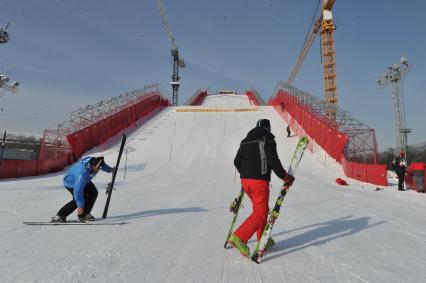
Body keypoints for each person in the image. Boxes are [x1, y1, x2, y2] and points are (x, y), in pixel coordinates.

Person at [228, 119, 295, 257]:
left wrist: (246, 174)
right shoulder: (267, 139)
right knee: (261, 213)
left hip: (246, 182)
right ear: (268, 128)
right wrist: (285, 177)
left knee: (260, 210)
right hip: (259, 182)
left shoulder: (245, 141)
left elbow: (236, 161)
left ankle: (262, 238)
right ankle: (239, 237)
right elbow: (273, 160)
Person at [51, 156, 114, 223]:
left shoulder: (95, 162)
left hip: (84, 180)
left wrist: (110, 170)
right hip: (71, 182)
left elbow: (102, 165)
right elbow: (78, 190)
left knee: (93, 192)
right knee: (78, 199)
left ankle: (84, 215)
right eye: (95, 169)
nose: (97, 170)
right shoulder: (82, 173)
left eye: (98, 169)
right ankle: (60, 215)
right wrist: (80, 206)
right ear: (91, 165)